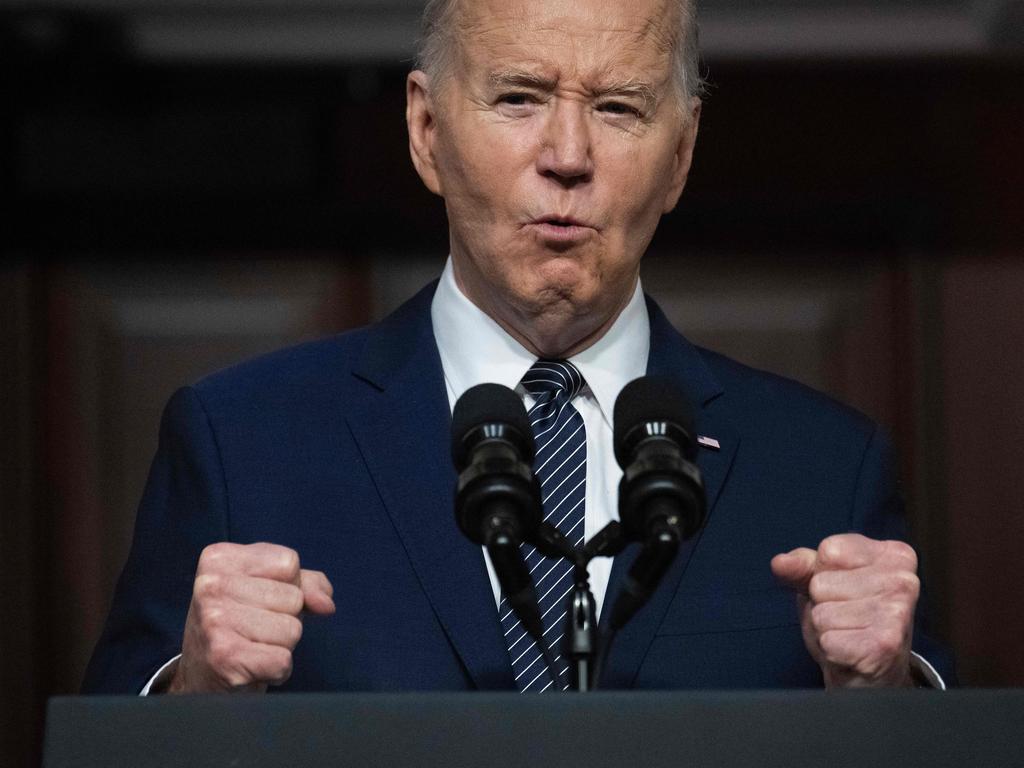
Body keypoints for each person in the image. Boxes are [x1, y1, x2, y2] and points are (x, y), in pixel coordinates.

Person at [83, 0, 951, 695]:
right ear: (426, 130)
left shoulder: (824, 470)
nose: (567, 157)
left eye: (618, 108)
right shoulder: (245, 441)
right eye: (519, 98)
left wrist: (888, 696)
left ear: (680, 155)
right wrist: (195, 691)